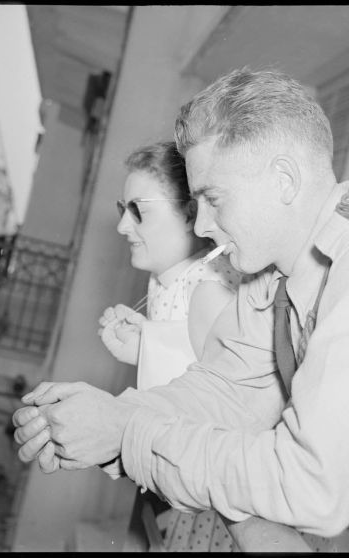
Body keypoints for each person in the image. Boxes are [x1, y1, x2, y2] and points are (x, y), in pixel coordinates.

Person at [12, 68, 349, 553]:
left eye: (212, 199)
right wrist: (106, 418)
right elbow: (225, 391)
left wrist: (126, 433)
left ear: (283, 179)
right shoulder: (274, 275)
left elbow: (313, 486)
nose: (201, 225)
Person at [97, 141, 247, 551]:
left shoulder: (211, 287)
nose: (123, 227)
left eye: (138, 211)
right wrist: (143, 347)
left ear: (188, 213)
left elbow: (229, 406)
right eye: (121, 209)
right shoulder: (170, 281)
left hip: (234, 507)